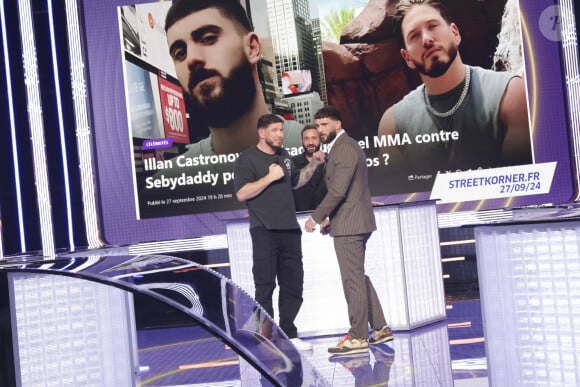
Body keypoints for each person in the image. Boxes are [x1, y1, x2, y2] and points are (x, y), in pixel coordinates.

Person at [378, 0, 532, 182]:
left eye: (433, 26)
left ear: (455, 33)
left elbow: (523, 192)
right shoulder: (392, 126)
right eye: (414, 36)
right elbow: (401, 199)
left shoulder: (511, 94)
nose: (427, 39)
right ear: (407, 57)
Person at [305, 106, 393, 355]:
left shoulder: (344, 148)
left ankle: (357, 336)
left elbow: (338, 191)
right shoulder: (343, 147)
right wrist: (332, 218)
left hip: (350, 226)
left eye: (324, 125)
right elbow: (349, 191)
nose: (320, 130)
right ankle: (380, 328)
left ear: (337, 124)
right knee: (358, 277)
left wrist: (316, 217)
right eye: (317, 125)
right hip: (350, 221)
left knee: (352, 279)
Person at [234, 114, 325, 352]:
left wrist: (314, 163)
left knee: (293, 284)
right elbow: (242, 193)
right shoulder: (247, 158)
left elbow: (295, 181)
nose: (280, 135)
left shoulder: (284, 156)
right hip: (264, 230)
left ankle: (288, 333)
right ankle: (265, 338)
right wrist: (270, 177)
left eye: (281, 130)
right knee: (264, 286)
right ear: (261, 133)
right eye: (274, 130)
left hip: (289, 230)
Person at [164, 0, 302, 157]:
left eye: (208, 38)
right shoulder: (169, 179)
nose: (191, 59)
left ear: (252, 48)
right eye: (180, 53)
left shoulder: (323, 154)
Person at [291, 125, 327, 212]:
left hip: (326, 215)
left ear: (320, 140)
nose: (310, 142)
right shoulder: (292, 162)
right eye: (306, 138)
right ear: (302, 141)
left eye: (314, 138)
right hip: (301, 216)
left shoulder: (330, 160)